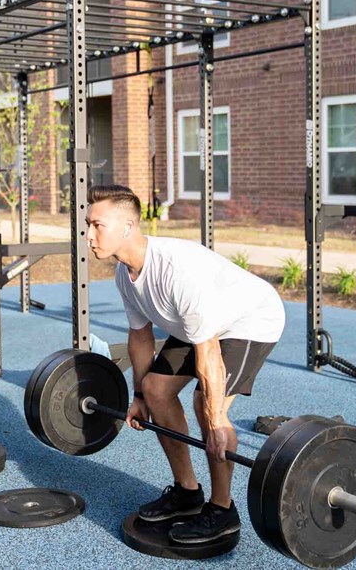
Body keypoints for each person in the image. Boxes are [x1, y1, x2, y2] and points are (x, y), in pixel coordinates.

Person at [85, 184, 285, 545]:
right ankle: (187, 493)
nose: (89, 235)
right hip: (201, 326)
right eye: (88, 225)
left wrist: (217, 419)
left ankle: (223, 511)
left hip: (249, 321)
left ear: (128, 227)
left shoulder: (177, 270)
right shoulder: (124, 275)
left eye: (97, 225)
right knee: (156, 390)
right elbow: (140, 337)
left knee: (206, 405)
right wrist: (139, 396)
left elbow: (209, 353)